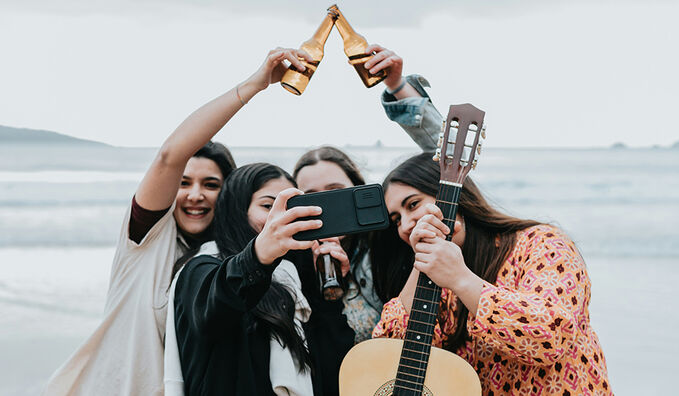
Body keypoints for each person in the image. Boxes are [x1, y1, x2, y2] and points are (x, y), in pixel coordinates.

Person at [44, 47, 313, 396]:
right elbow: (170, 156)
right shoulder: (145, 242)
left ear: (229, 196)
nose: (195, 195)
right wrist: (255, 84)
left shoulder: (231, 263)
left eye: (211, 185)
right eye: (184, 183)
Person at [371, 153, 612, 395]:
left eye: (413, 204)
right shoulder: (435, 281)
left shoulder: (541, 243)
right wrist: (421, 264)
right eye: (396, 220)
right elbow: (389, 358)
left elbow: (549, 335)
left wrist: (461, 279)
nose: (405, 225)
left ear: (450, 195)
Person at [292, 44, 443, 343]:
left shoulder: (388, 236)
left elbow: (448, 164)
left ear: (357, 189)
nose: (325, 208)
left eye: (335, 192)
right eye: (312, 197)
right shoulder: (292, 262)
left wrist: (398, 86)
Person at [172, 163, 354, 395]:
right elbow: (216, 307)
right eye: (268, 206)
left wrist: (328, 292)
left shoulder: (292, 281)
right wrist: (259, 255)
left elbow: (335, 373)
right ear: (236, 209)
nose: (280, 219)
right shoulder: (201, 268)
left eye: (290, 210)